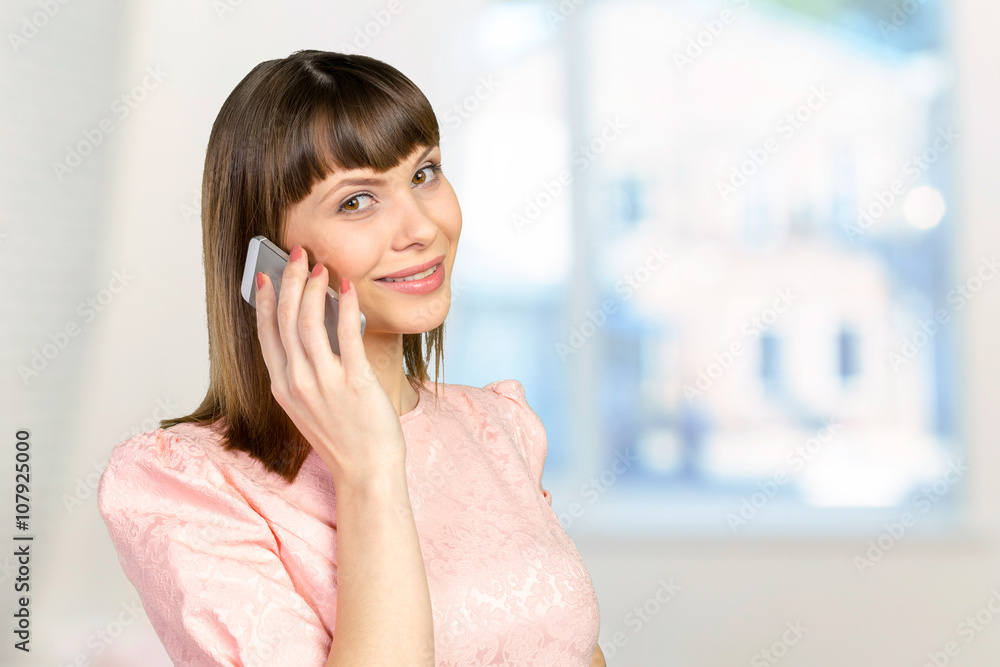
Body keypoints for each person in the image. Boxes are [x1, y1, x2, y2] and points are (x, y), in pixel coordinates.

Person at [97, 49, 605, 667]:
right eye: (356, 202)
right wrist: (368, 468)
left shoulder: (499, 427)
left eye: (424, 175)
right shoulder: (184, 485)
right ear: (267, 260)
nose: (421, 227)